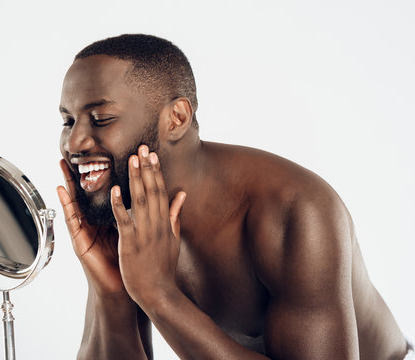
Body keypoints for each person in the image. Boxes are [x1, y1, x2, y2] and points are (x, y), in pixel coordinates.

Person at [56, 34, 411, 360]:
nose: (74, 143)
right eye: (68, 121)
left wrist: (159, 295)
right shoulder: (128, 211)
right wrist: (112, 291)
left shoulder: (295, 210)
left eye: (100, 118)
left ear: (176, 119)